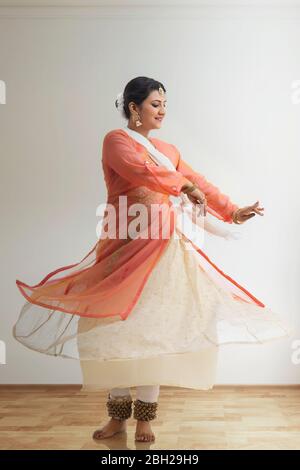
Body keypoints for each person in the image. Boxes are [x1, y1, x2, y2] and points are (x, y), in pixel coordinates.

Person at [13, 76, 294, 443]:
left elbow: (198, 181)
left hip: (163, 252)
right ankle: (117, 416)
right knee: (111, 333)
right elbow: (143, 172)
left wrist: (231, 210)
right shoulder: (117, 142)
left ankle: (146, 418)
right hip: (122, 249)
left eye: (165, 104)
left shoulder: (168, 149)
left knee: (154, 332)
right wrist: (185, 187)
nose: (162, 110)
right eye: (155, 104)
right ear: (134, 108)